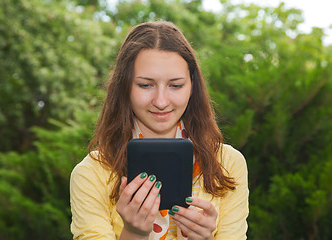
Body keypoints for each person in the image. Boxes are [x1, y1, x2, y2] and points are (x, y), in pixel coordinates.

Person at [70, 20, 249, 240]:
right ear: (124, 87)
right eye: (145, 85)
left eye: (175, 85)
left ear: (192, 86)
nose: (161, 101)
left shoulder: (228, 164)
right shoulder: (91, 174)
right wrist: (134, 233)